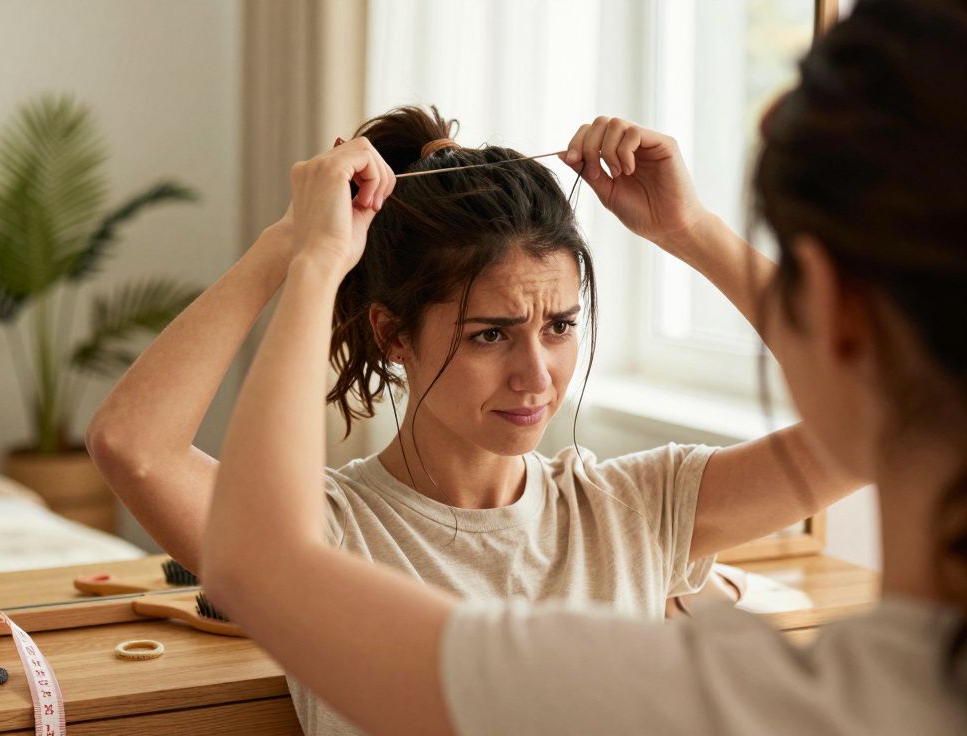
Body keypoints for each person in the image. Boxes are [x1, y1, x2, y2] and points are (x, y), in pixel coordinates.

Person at [199, 0, 967, 733]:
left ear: (836, 313)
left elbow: (256, 566)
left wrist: (315, 258)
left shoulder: (689, 686)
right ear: (392, 334)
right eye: (491, 334)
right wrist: (689, 231)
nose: (536, 374)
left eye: (562, 325)